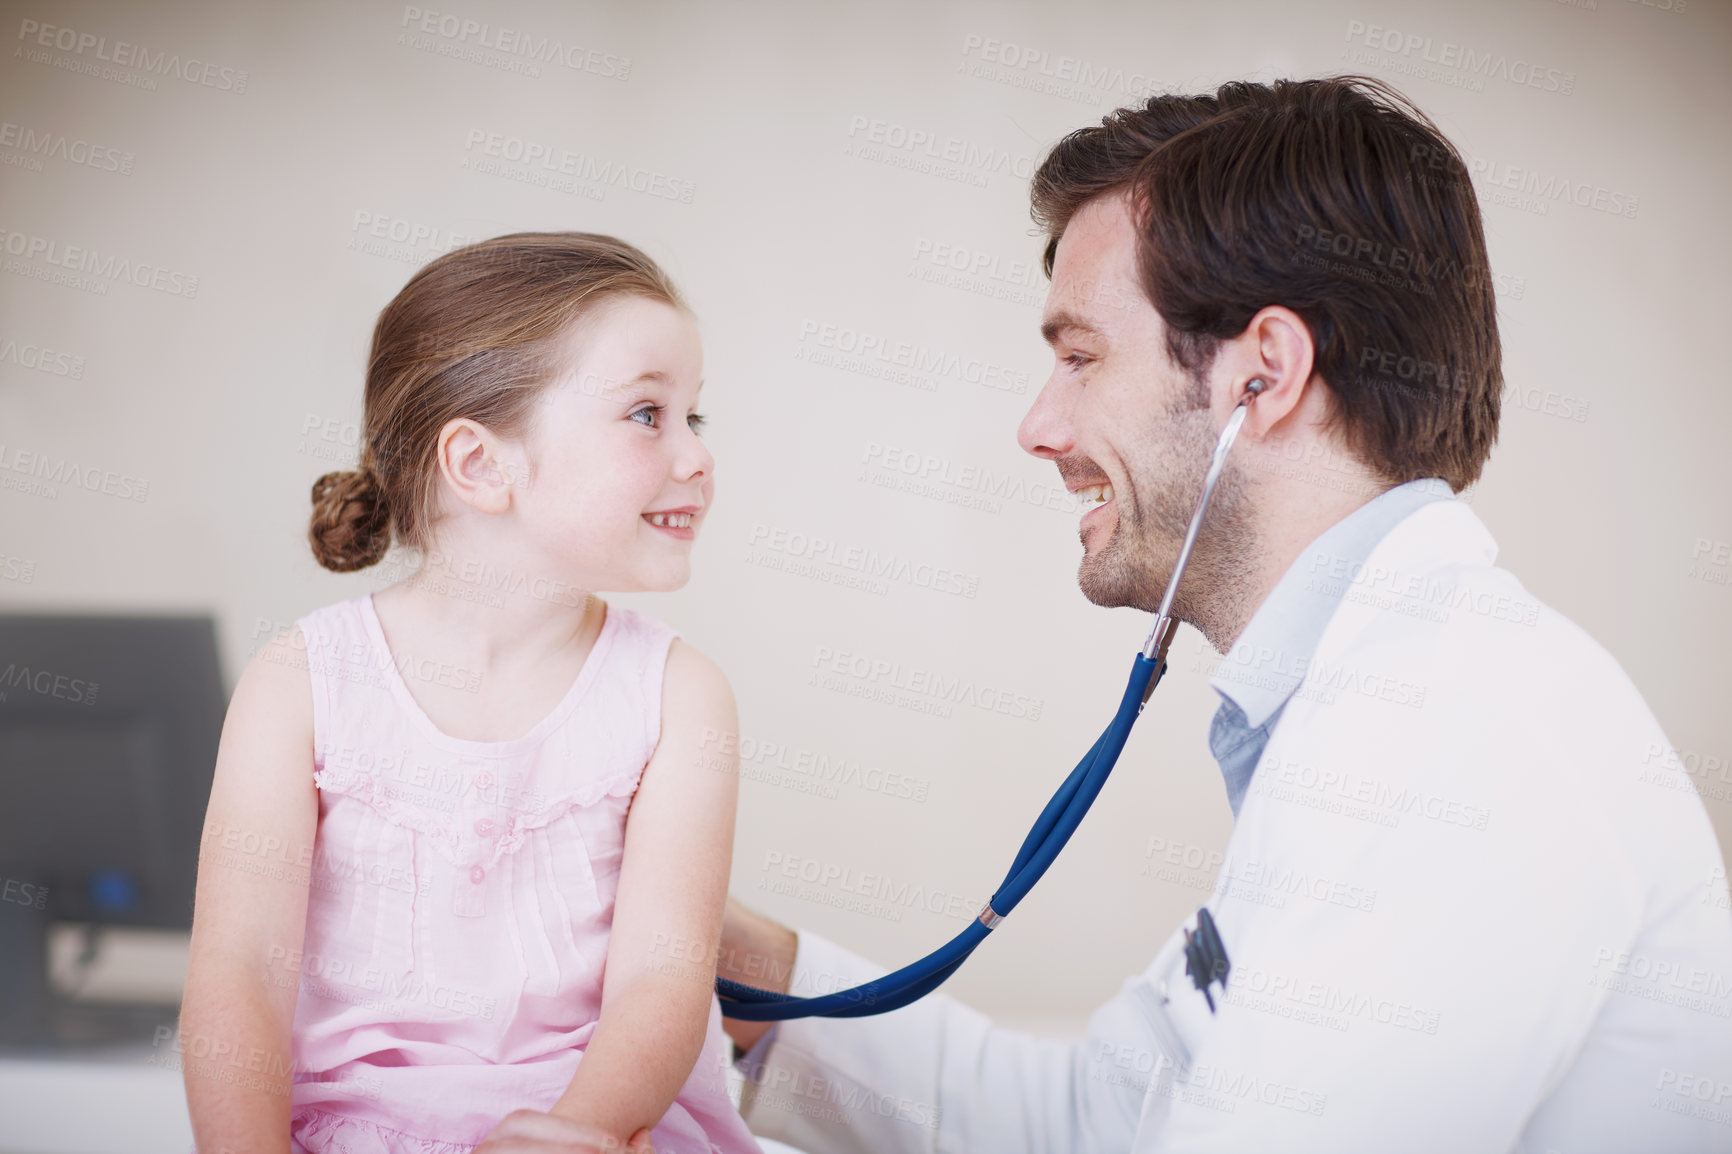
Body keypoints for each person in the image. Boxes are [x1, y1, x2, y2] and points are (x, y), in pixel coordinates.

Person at [717, 77, 1732, 1153]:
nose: (1036, 423)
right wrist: (721, 959)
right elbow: (1088, 1125)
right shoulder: (1370, 707)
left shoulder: (1455, 740)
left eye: (1078, 357)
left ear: (1262, 376)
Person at [180, 233, 762, 1154]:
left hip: (602, 1125)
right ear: (481, 464)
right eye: (649, 414)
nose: (697, 457)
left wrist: (571, 1133)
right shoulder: (299, 683)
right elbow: (240, 971)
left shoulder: (679, 695)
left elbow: (663, 979)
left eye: (698, 417)